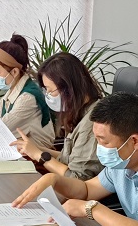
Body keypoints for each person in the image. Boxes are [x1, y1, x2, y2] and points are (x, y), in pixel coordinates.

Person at [12, 92, 138, 226]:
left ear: (134, 141)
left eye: (103, 141)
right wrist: (54, 180)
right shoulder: (126, 156)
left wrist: (89, 208)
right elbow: (87, 190)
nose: (99, 148)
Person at [9, 51, 103, 182]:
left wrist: (38, 154)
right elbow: (68, 159)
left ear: (69, 88)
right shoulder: (79, 112)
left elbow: (77, 179)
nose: (48, 95)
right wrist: (34, 148)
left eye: (50, 90)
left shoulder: (93, 122)